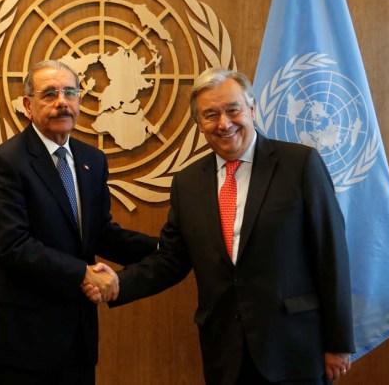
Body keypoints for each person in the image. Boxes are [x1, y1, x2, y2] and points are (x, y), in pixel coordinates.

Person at [87, 68, 354, 384]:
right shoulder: (187, 184)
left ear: (251, 109)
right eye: (210, 115)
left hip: (293, 348)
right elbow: (171, 260)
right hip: (225, 353)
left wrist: (338, 343)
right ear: (200, 125)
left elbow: (331, 255)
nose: (224, 123)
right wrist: (119, 281)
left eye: (232, 110)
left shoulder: (300, 165)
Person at [0, 60, 157, 384]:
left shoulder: (92, 160)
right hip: (21, 341)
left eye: (69, 92)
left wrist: (162, 248)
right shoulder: (6, 162)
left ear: (80, 101)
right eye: (49, 94)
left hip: (77, 338)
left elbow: (99, 233)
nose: (62, 101)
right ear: (28, 105)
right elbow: (12, 247)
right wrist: (83, 273)